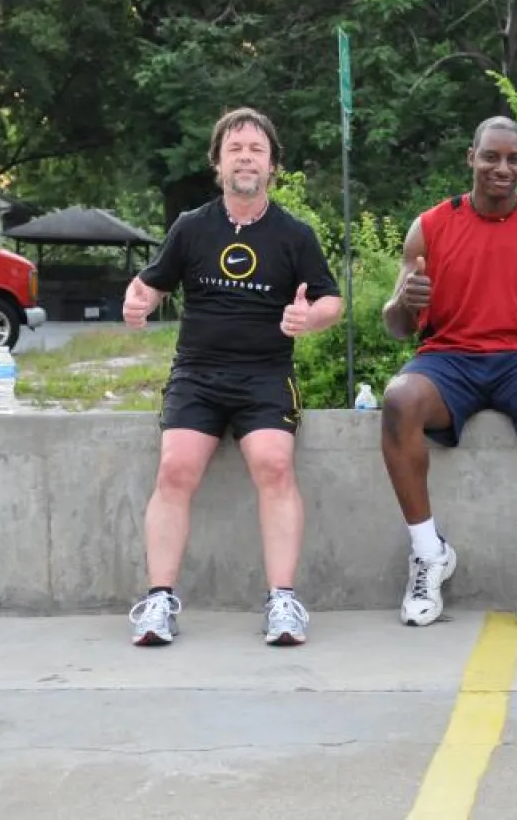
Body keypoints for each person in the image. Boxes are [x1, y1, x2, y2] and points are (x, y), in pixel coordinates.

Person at [121, 107, 343, 647]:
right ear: (218, 163)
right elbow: (152, 282)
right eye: (235, 148)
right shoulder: (191, 227)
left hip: (265, 376)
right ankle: (158, 601)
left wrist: (308, 318)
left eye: (257, 150)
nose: (246, 157)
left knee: (273, 463)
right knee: (175, 468)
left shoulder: (294, 233)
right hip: (197, 376)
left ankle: (283, 601)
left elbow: (331, 300)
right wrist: (139, 299)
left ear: (272, 166)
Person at [379, 116, 517, 631]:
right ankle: (428, 552)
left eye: (514, 159)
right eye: (491, 157)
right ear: (470, 157)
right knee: (398, 399)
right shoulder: (430, 226)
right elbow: (396, 327)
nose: (502, 168)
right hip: (449, 357)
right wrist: (403, 301)